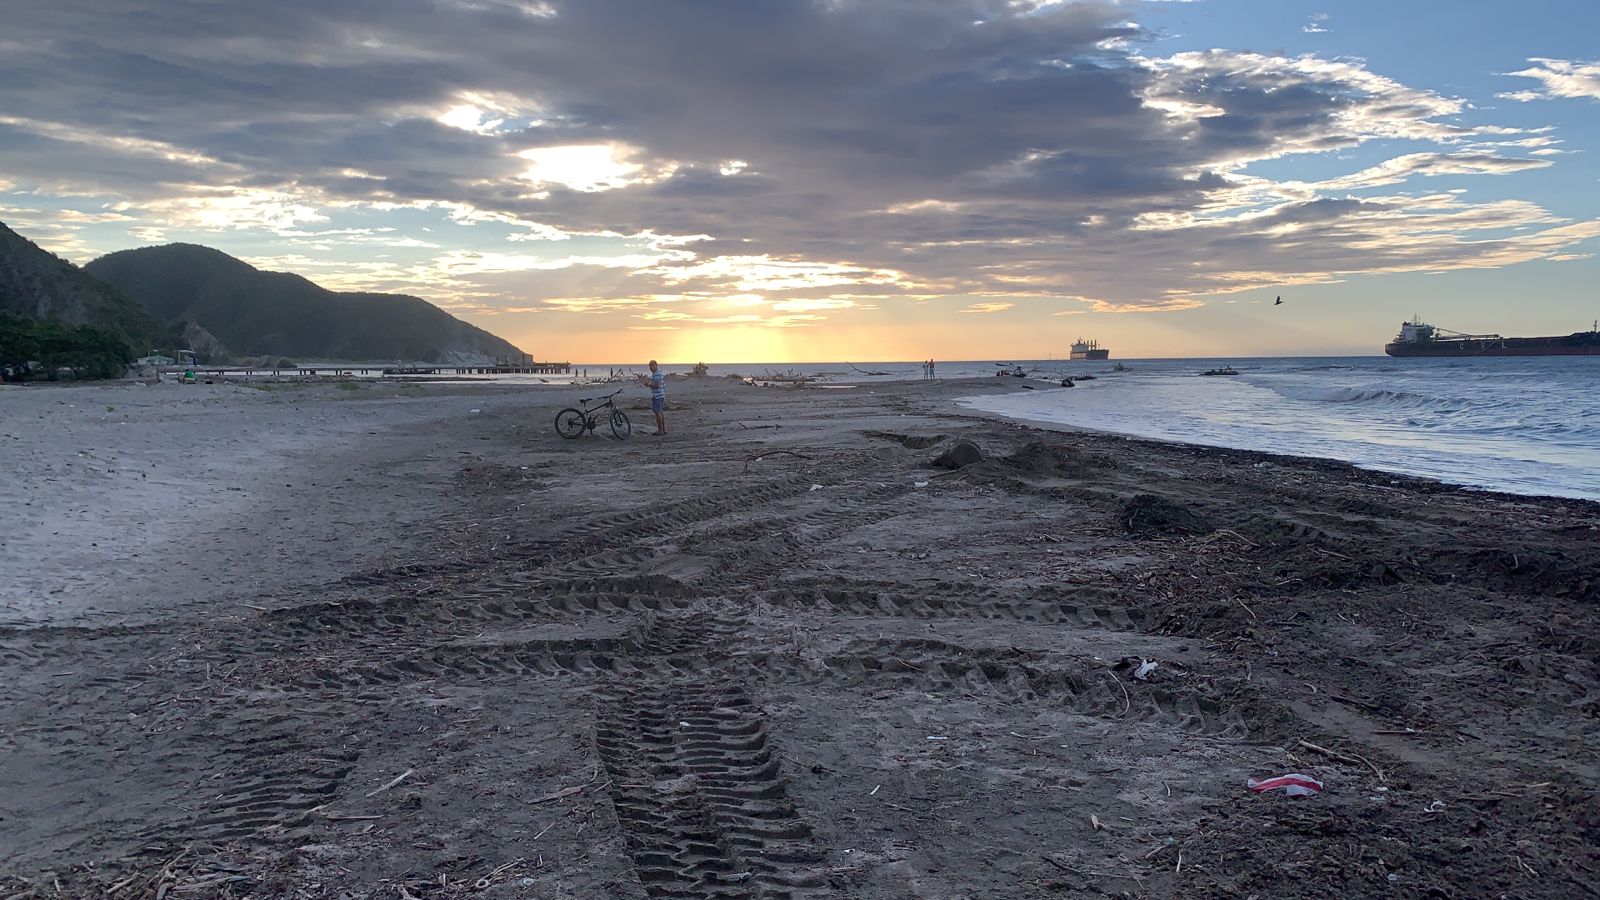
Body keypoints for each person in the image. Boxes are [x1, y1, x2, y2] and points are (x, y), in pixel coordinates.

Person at [646, 359, 667, 435]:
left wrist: (648, 384)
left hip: (657, 396)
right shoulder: (657, 374)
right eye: (650, 366)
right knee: (660, 412)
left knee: (658, 413)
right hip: (660, 395)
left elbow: (657, 385)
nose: (650, 368)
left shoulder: (657, 374)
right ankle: (663, 429)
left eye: (652, 366)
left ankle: (660, 430)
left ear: (656, 366)